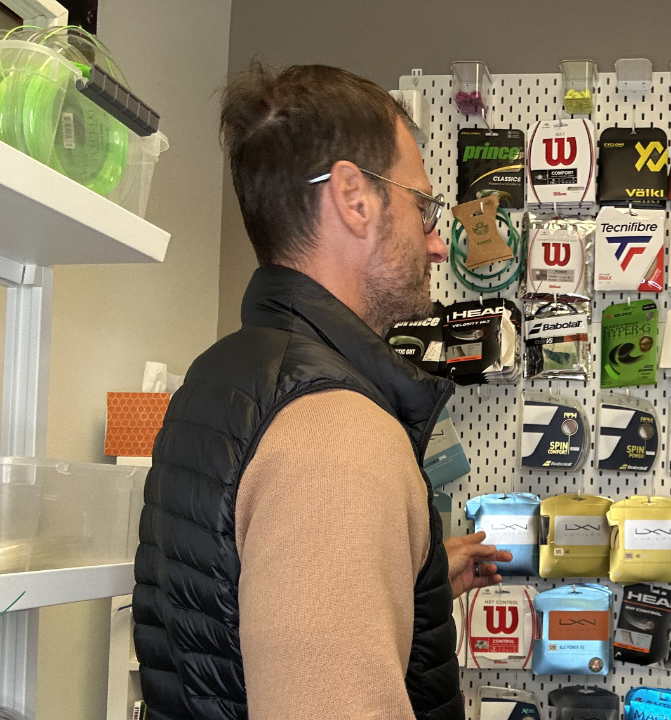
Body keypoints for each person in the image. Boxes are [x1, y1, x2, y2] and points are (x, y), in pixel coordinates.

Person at [133, 64, 510, 720]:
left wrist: (408, 586)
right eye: (422, 207)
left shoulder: (219, 377)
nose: (436, 245)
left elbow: (228, 633)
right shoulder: (339, 439)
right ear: (354, 199)